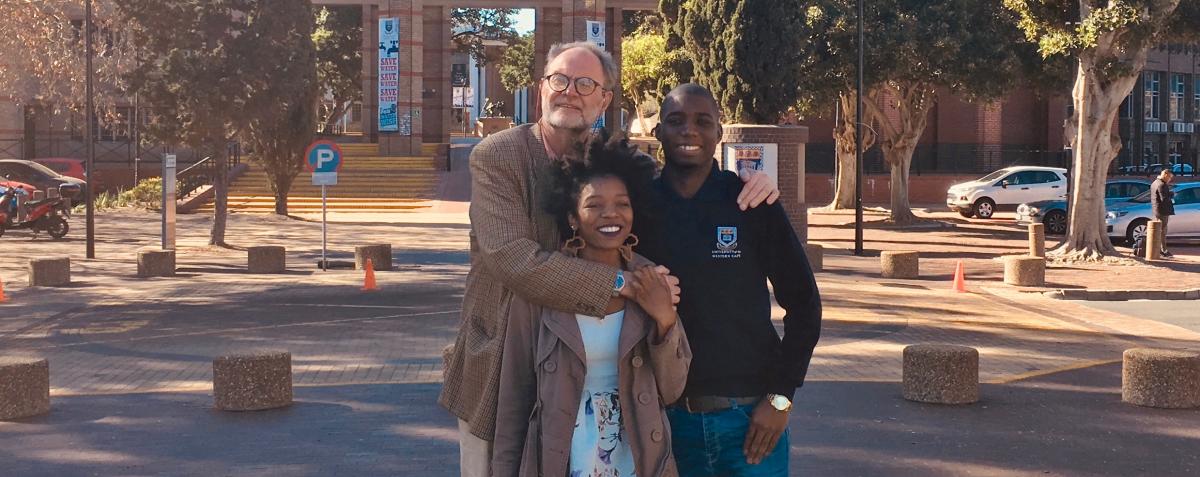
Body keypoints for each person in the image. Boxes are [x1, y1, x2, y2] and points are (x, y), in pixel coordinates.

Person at [438, 43, 780, 477]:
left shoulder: (621, 161)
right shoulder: (498, 156)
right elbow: (513, 259)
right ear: (542, 88)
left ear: (604, 98)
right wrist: (625, 286)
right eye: (559, 80)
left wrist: (747, 183)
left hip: (598, 390)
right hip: (504, 369)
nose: (570, 92)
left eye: (586, 84)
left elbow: (682, 189)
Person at [636, 84, 822, 476]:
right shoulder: (637, 210)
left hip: (750, 421)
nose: (689, 131)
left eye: (703, 122)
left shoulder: (751, 202)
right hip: (664, 422)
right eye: (676, 121)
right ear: (658, 133)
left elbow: (804, 303)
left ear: (719, 134)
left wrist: (781, 399)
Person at [492, 134, 691, 477]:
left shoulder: (650, 280)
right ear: (572, 217)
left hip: (640, 462)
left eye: (622, 203)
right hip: (561, 461)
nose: (610, 214)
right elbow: (513, 400)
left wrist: (663, 318)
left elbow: (673, 391)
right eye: (594, 204)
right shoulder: (542, 286)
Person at [1150, 170, 1175, 257]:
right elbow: (1164, 199)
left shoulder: (1154, 183)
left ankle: (1160, 249)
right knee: (1162, 231)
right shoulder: (1162, 185)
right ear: (1165, 175)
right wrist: (1171, 195)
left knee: (1159, 231)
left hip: (1156, 210)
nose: (1170, 179)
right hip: (1163, 211)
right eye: (1169, 177)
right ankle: (1163, 250)